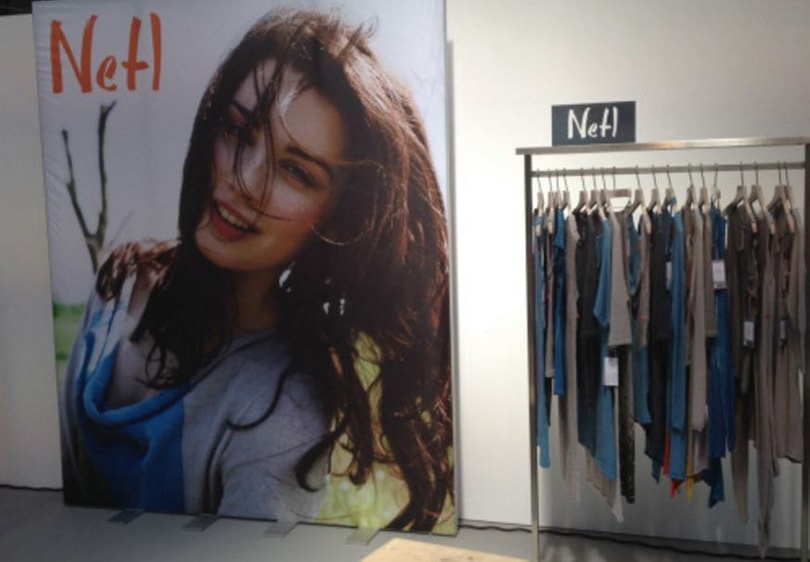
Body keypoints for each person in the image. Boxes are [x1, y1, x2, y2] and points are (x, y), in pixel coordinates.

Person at [59, 8, 452, 532]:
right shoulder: (121, 279)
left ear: (338, 221)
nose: (245, 180)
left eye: (296, 171)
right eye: (238, 130)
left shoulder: (279, 413)